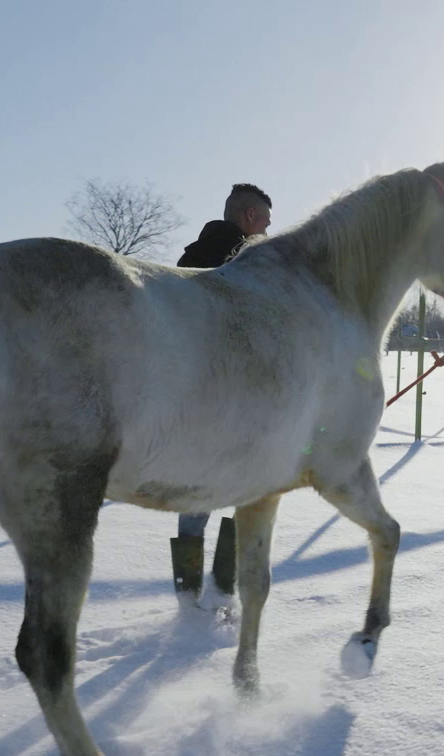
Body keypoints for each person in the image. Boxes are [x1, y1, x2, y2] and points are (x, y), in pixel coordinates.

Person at [170, 183, 272, 608]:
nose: (268, 228)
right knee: (249, 493)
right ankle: (224, 593)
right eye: (265, 220)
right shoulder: (251, 263)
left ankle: (188, 596)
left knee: (195, 496)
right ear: (248, 216)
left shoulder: (187, 261)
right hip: (238, 400)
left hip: (188, 401)